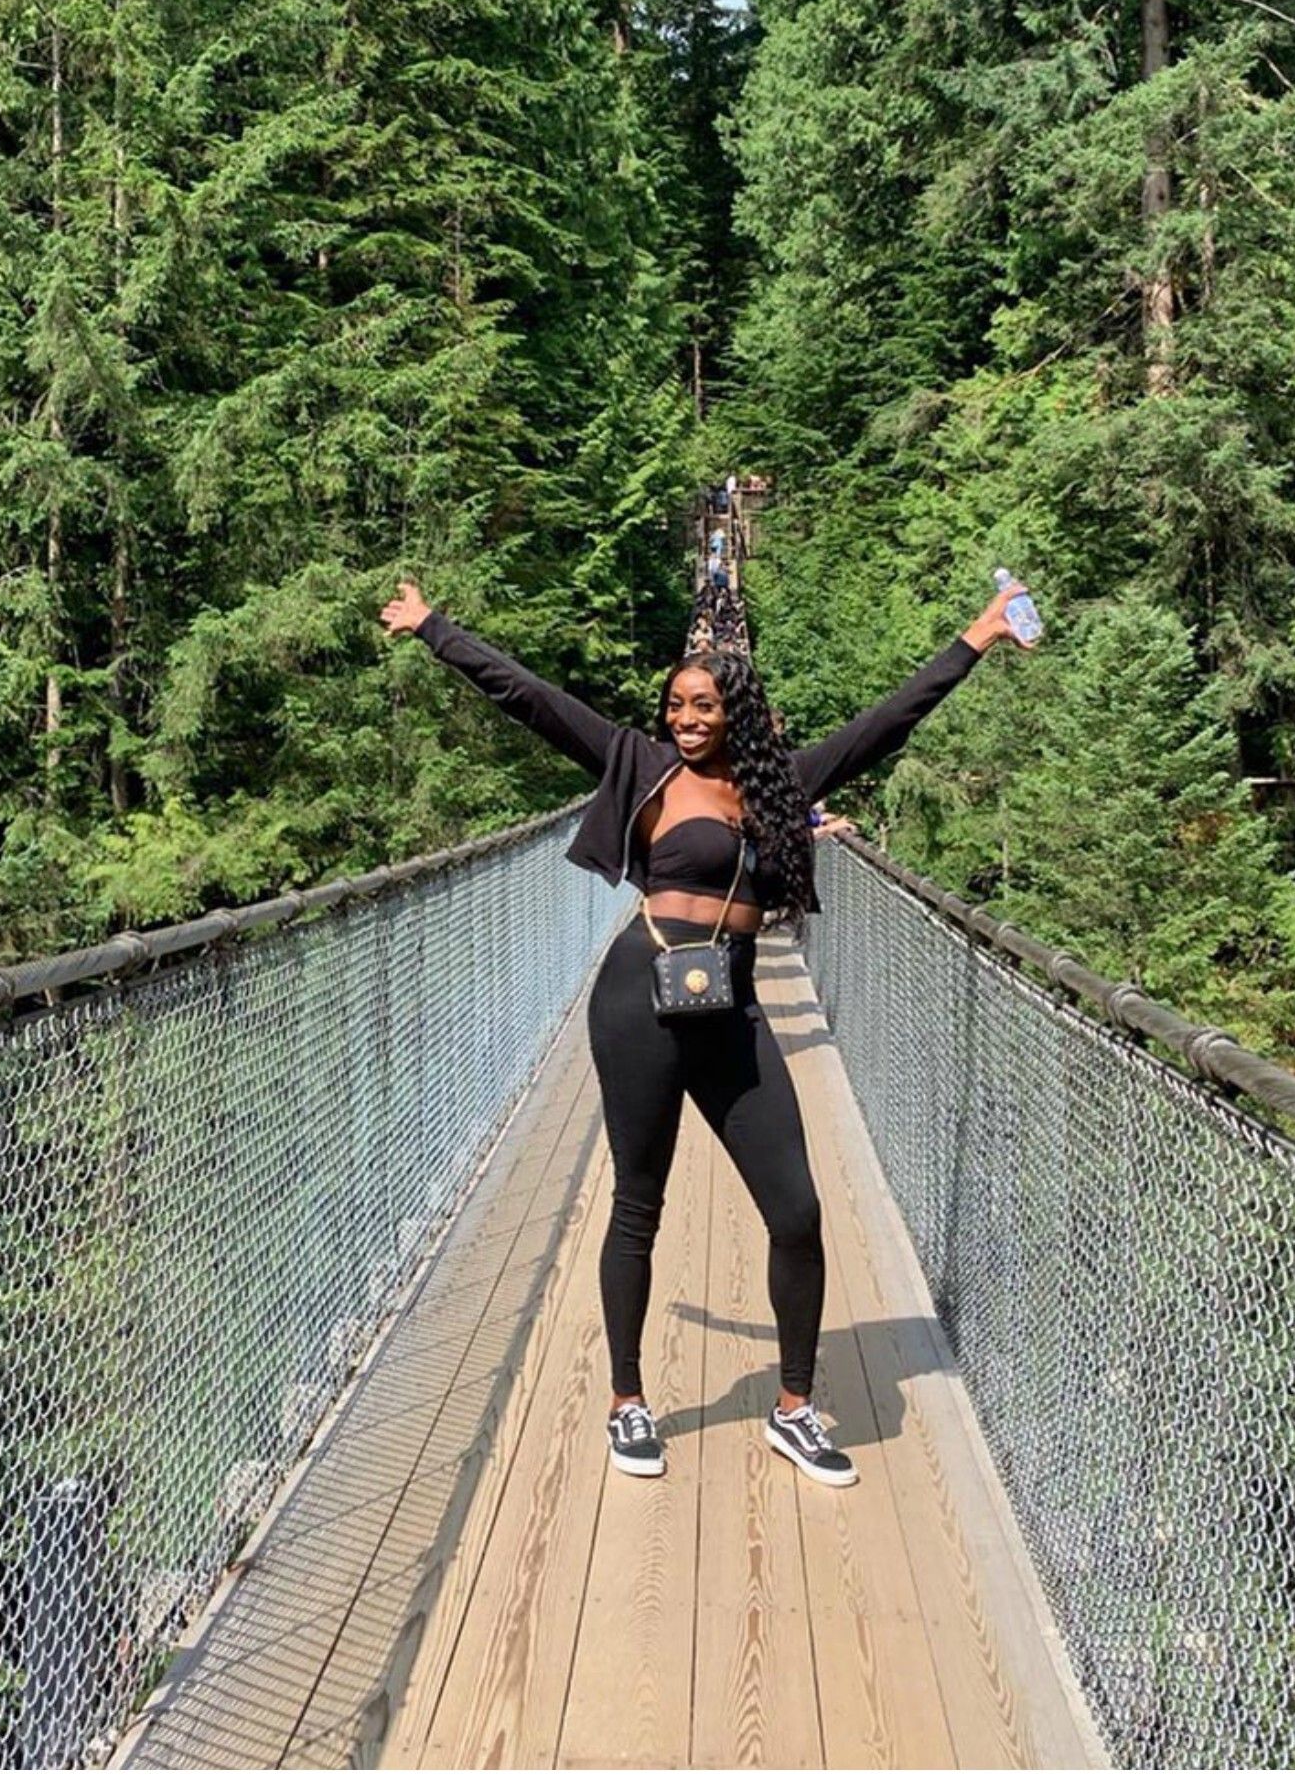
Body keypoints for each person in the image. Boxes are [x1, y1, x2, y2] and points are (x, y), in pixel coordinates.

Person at [380, 571, 1039, 1486]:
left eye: (704, 704)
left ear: (735, 709)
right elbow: (527, 696)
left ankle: (796, 1408)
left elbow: (888, 722)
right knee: (639, 1205)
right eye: (676, 704)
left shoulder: (779, 786)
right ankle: (626, 1400)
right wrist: (431, 628)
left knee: (798, 1209)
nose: (687, 717)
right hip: (638, 1000)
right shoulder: (637, 764)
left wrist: (978, 635)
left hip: (729, 1001)